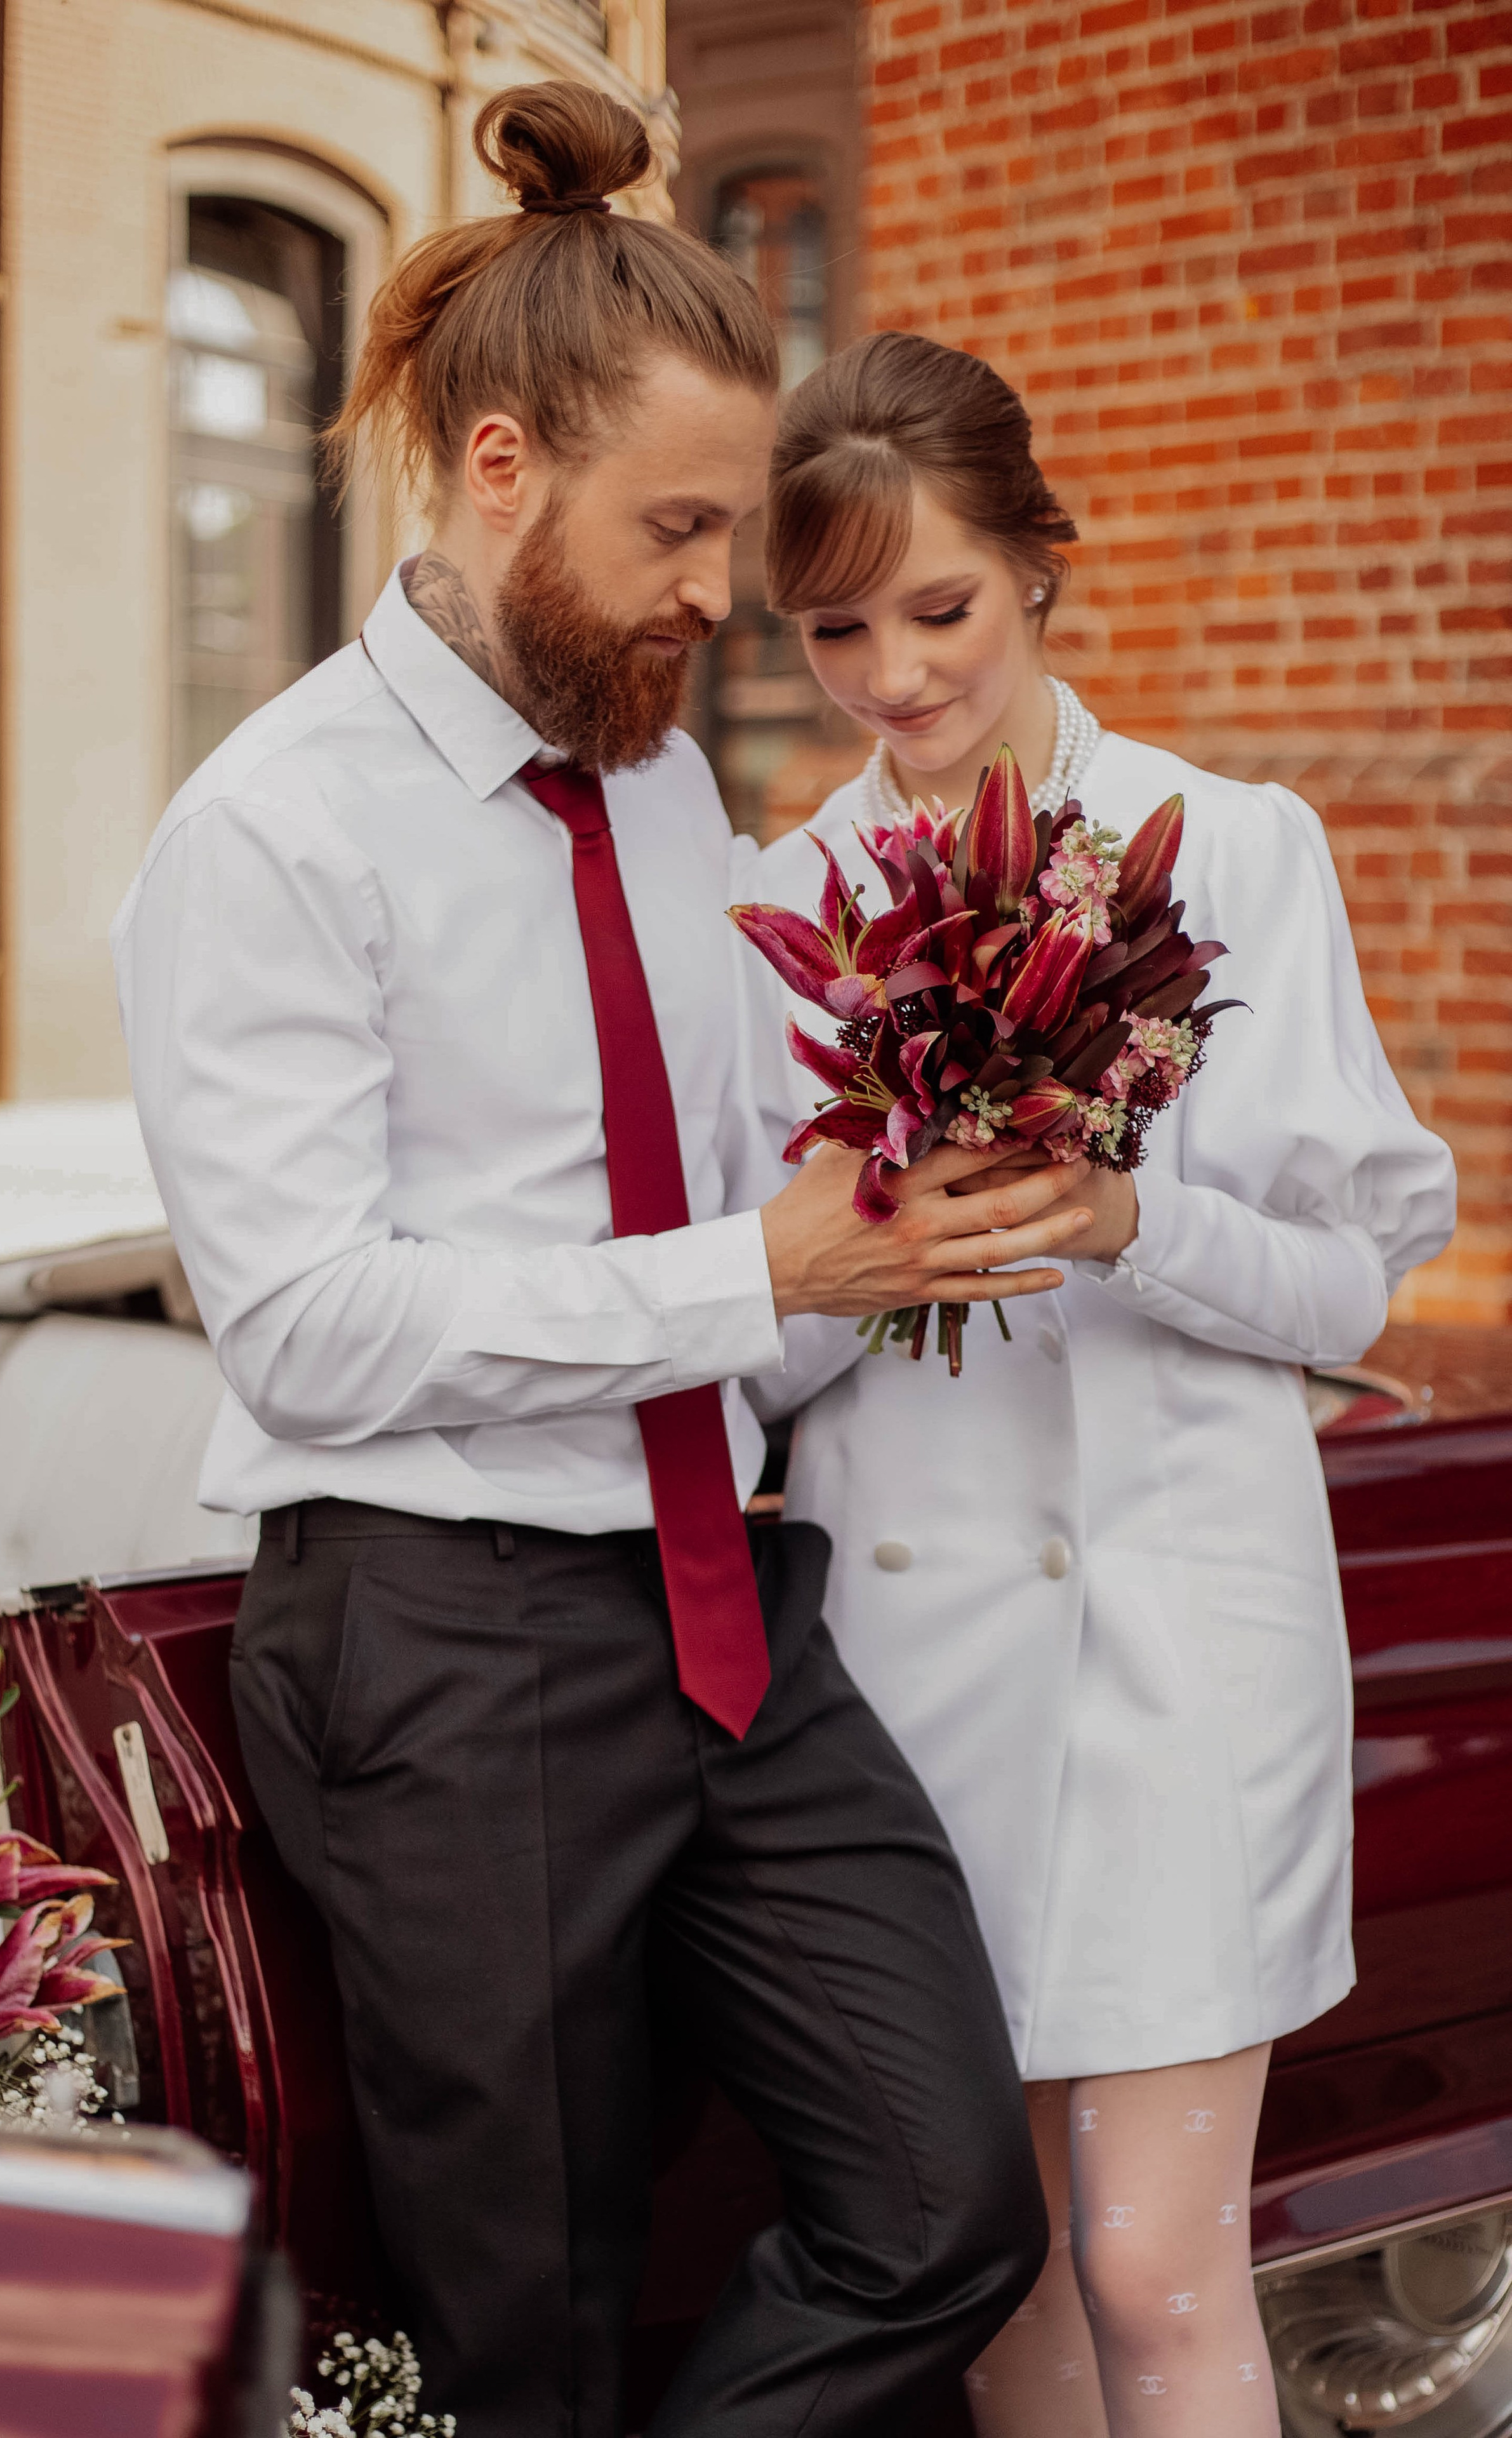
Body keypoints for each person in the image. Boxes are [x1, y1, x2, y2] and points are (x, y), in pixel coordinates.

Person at [110, 90, 1088, 2438]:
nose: (712, 597)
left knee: (945, 2207)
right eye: (677, 530)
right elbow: (311, 1325)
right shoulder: (267, 837)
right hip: (448, 1648)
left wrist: (947, 1123)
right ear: (496, 462)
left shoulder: (658, 777)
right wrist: (754, 1272)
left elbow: (746, 1147)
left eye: (730, 537)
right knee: (523, 2333)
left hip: (734, 1613)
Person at [749, 330, 1457, 2438]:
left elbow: (1357, 1274)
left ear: (1043, 569)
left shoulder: (1232, 848)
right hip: (914, 1677)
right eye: (836, 629)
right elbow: (751, 1342)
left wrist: (1127, 1218)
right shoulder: (775, 913)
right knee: (1012, 2283)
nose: (892, 676)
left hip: (1182, 1651)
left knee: (1160, 2268)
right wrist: (849, 1252)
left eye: (939, 608)